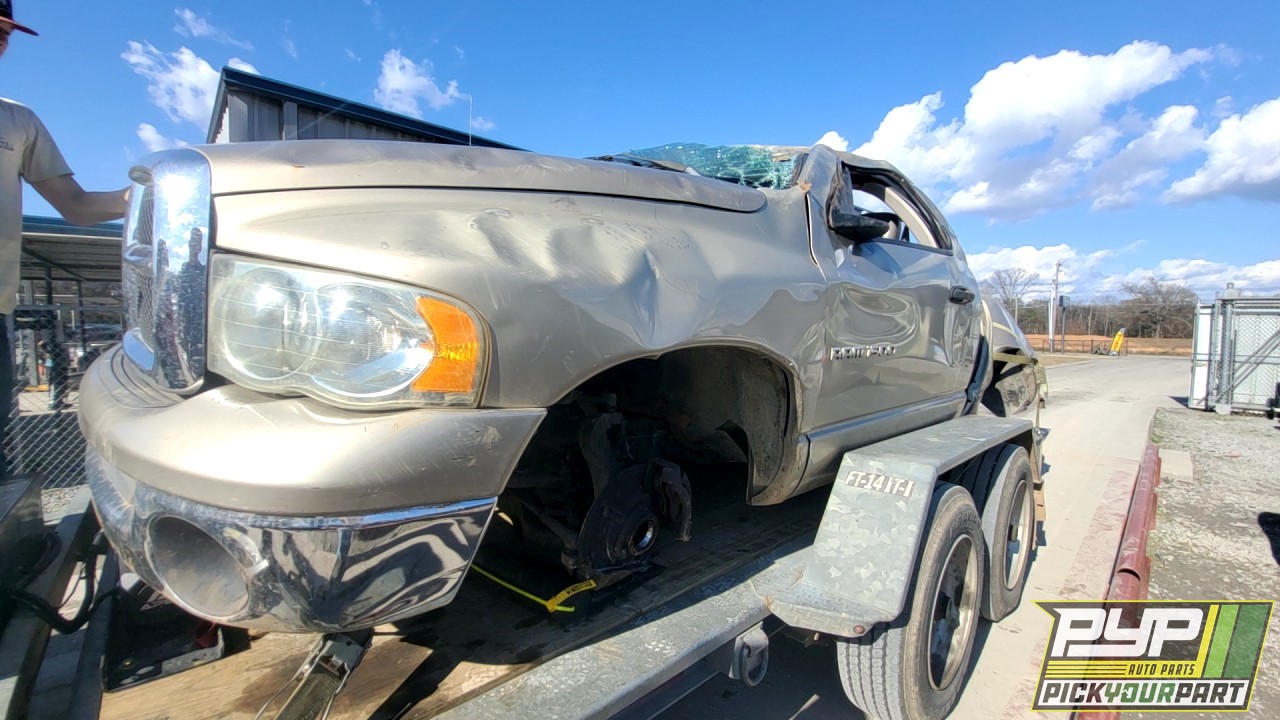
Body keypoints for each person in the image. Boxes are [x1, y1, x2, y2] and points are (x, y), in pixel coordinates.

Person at [0, 1, 129, 475]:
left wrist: (142, 194)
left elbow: (75, 206)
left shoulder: (18, 123)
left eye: (5, 30)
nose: (1, 38)